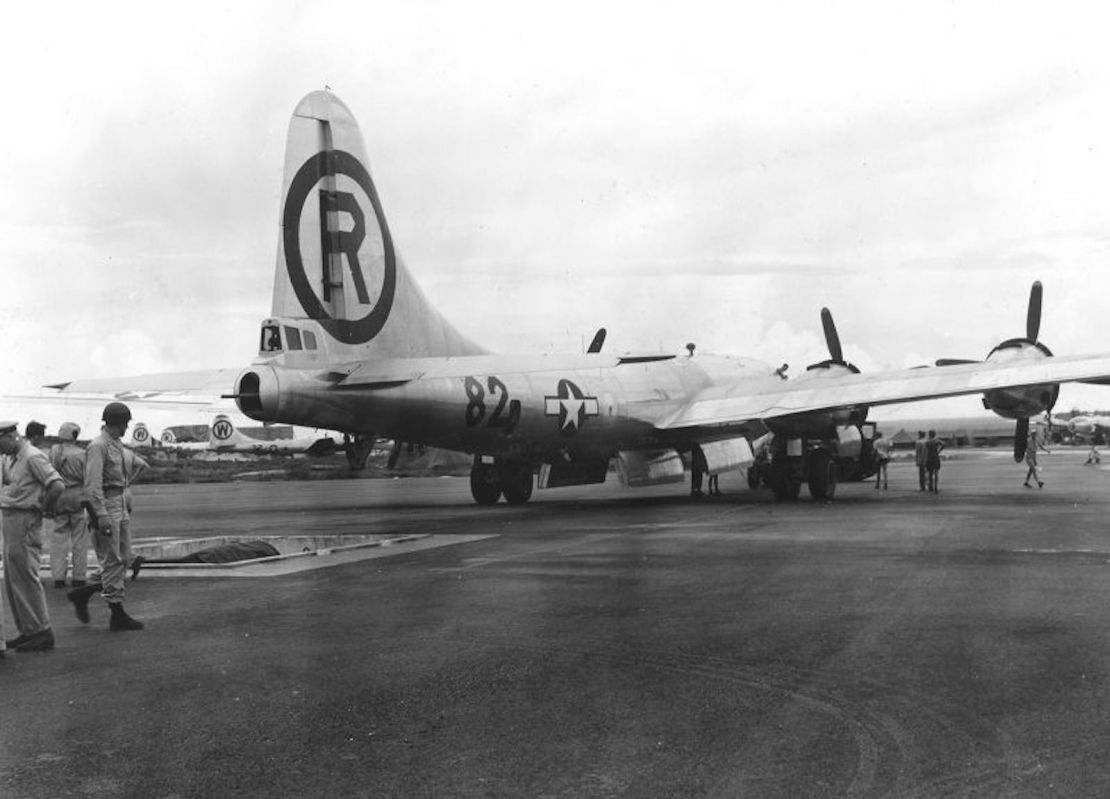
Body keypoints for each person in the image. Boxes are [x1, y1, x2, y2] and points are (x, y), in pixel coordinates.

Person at [67, 402, 144, 631]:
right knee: (112, 560)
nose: (126, 427)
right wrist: (100, 516)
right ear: (117, 422)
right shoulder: (98, 446)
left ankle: (84, 594)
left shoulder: (116, 444)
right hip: (107, 506)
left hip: (118, 502)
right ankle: (116, 614)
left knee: (123, 559)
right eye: (125, 423)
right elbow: (92, 486)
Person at [0, 421, 64, 654]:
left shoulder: (32, 457)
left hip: (25, 520)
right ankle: (29, 630)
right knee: (14, 578)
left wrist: (45, 509)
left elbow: (56, 485)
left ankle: (42, 631)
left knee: (27, 576)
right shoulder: (13, 457)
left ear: (10, 437)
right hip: (11, 520)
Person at [48, 421, 91, 588]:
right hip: (77, 494)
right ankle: (79, 576)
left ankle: (58, 576)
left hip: (59, 494)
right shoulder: (82, 454)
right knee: (79, 537)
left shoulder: (54, 452)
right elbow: (87, 478)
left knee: (59, 537)